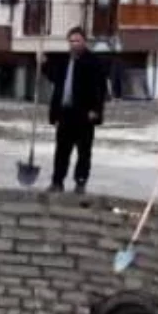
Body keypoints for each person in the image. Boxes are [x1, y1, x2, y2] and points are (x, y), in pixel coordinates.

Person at [43, 26, 107, 194]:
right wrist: (42, 64)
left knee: (83, 151)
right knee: (62, 151)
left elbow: (100, 89)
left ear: (84, 41)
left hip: (84, 114)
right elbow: (55, 79)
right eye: (71, 41)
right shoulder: (65, 61)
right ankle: (57, 181)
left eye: (77, 41)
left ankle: (80, 181)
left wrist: (96, 110)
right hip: (65, 113)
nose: (74, 44)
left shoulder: (93, 62)